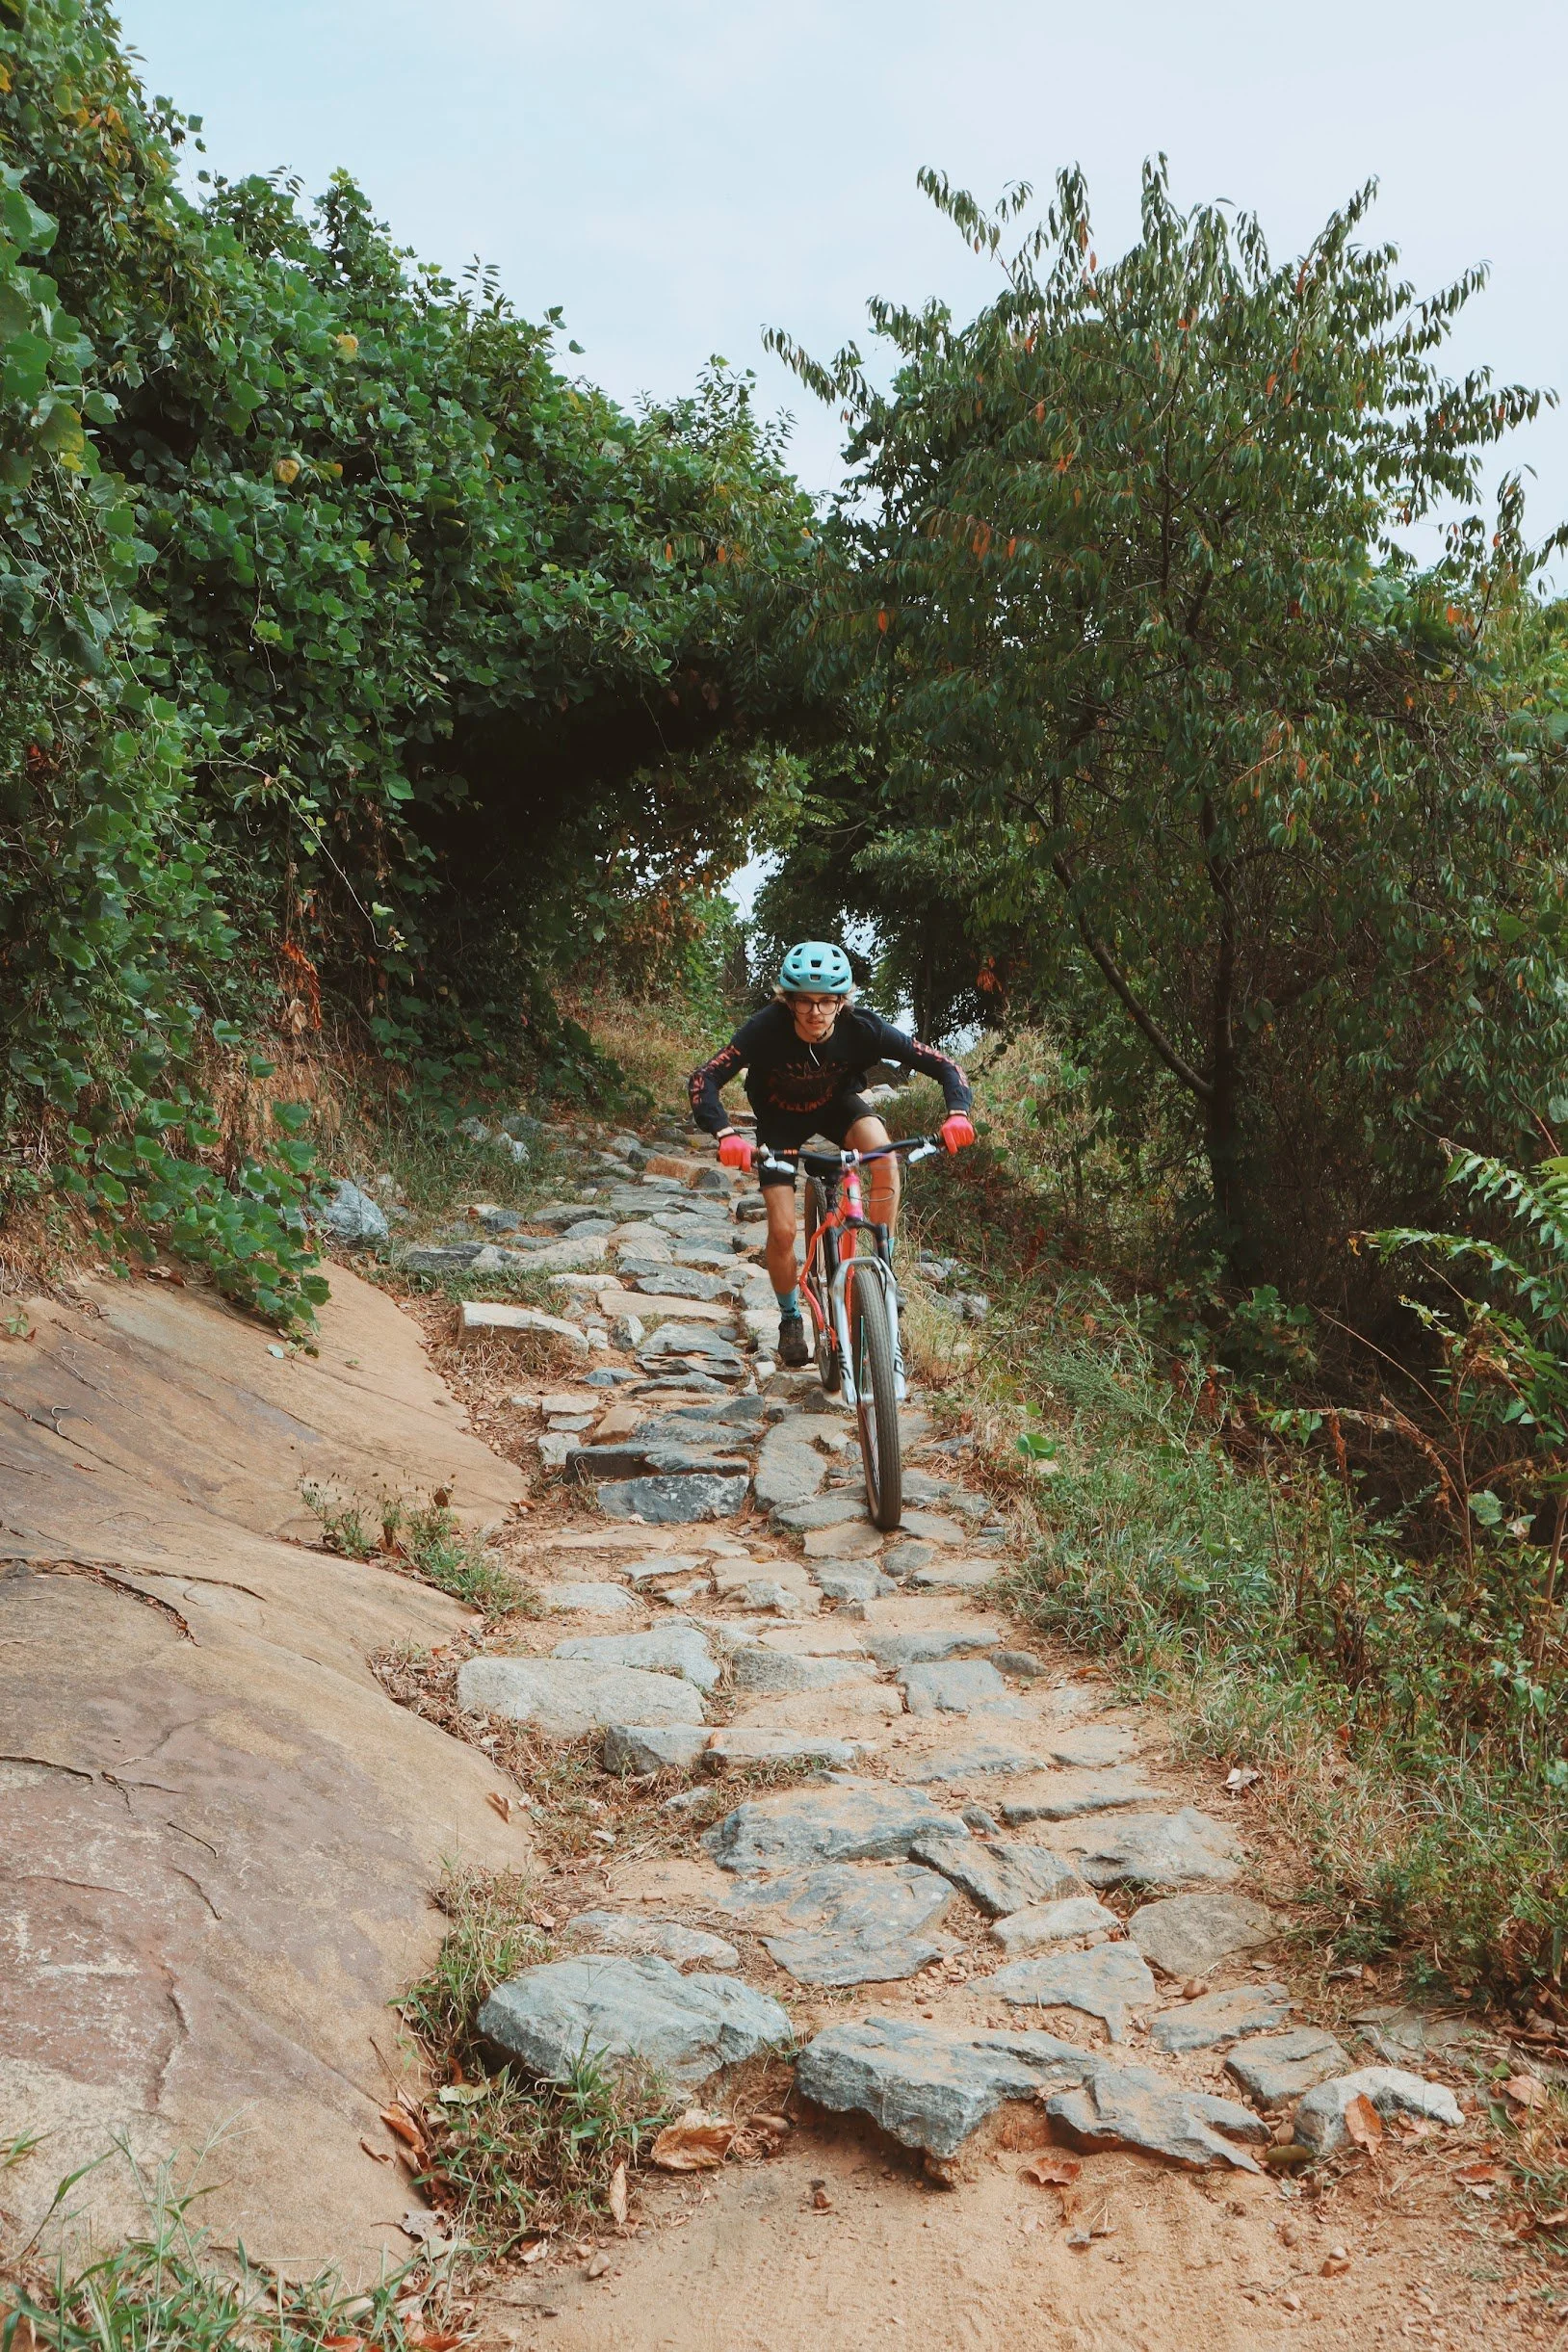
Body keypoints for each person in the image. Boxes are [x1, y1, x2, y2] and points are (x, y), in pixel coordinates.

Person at [688, 940, 976, 1366]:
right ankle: (790, 1317)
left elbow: (944, 1064)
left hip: (839, 1108)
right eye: (804, 1002)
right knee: (784, 1231)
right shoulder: (764, 1029)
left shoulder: (864, 1028)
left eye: (826, 1002)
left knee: (883, 1156)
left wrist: (957, 1114)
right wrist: (726, 1134)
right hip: (780, 1121)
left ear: (843, 1002)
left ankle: (882, 1268)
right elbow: (705, 1078)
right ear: (788, 1001)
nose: (815, 1013)